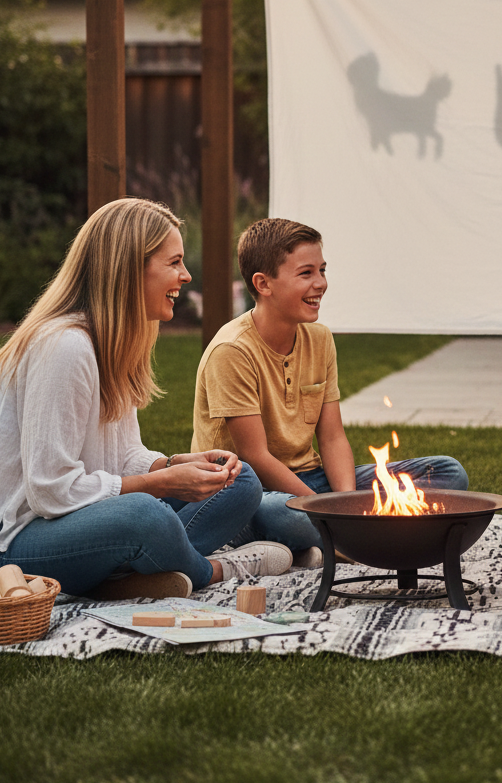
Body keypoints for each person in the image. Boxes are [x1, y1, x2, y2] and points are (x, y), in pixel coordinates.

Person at [0, 198, 292, 600]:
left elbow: (124, 455)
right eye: (174, 262)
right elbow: (50, 490)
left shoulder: (113, 342)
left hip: (71, 521)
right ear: (129, 268)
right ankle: (211, 570)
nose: (185, 275)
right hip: (1, 552)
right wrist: (160, 484)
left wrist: (174, 465)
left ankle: (132, 574)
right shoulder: (64, 346)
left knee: (240, 480)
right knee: (143, 514)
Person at [192, 218, 468, 559]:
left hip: (313, 481)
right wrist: (328, 510)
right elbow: (256, 457)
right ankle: (351, 537)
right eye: (306, 273)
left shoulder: (320, 339)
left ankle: (330, 541)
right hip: (249, 494)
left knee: (448, 474)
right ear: (263, 284)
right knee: (278, 514)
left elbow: (333, 437)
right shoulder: (232, 351)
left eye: (322, 270)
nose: (320, 283)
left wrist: (346, 504)